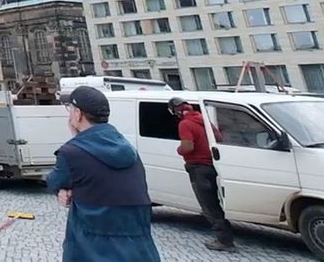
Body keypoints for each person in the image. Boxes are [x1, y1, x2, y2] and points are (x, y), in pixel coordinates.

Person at [46, 86, 161, 262]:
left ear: (78, 114)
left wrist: (76, 139)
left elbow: (55, 180)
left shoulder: (71, 153)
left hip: (92, 248)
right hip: (139, 249)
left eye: (70, 109)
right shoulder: (128, 148)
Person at [170, 97, 234, 251]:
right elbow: (218, 137)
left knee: (208, 206)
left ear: (176, 111)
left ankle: (224, 241)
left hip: (197, 168)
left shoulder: (185, 124)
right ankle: (227, 236)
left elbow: (188, 147)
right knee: (215, 203)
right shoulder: (203, 119)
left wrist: (179, 150)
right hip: (212, 166)